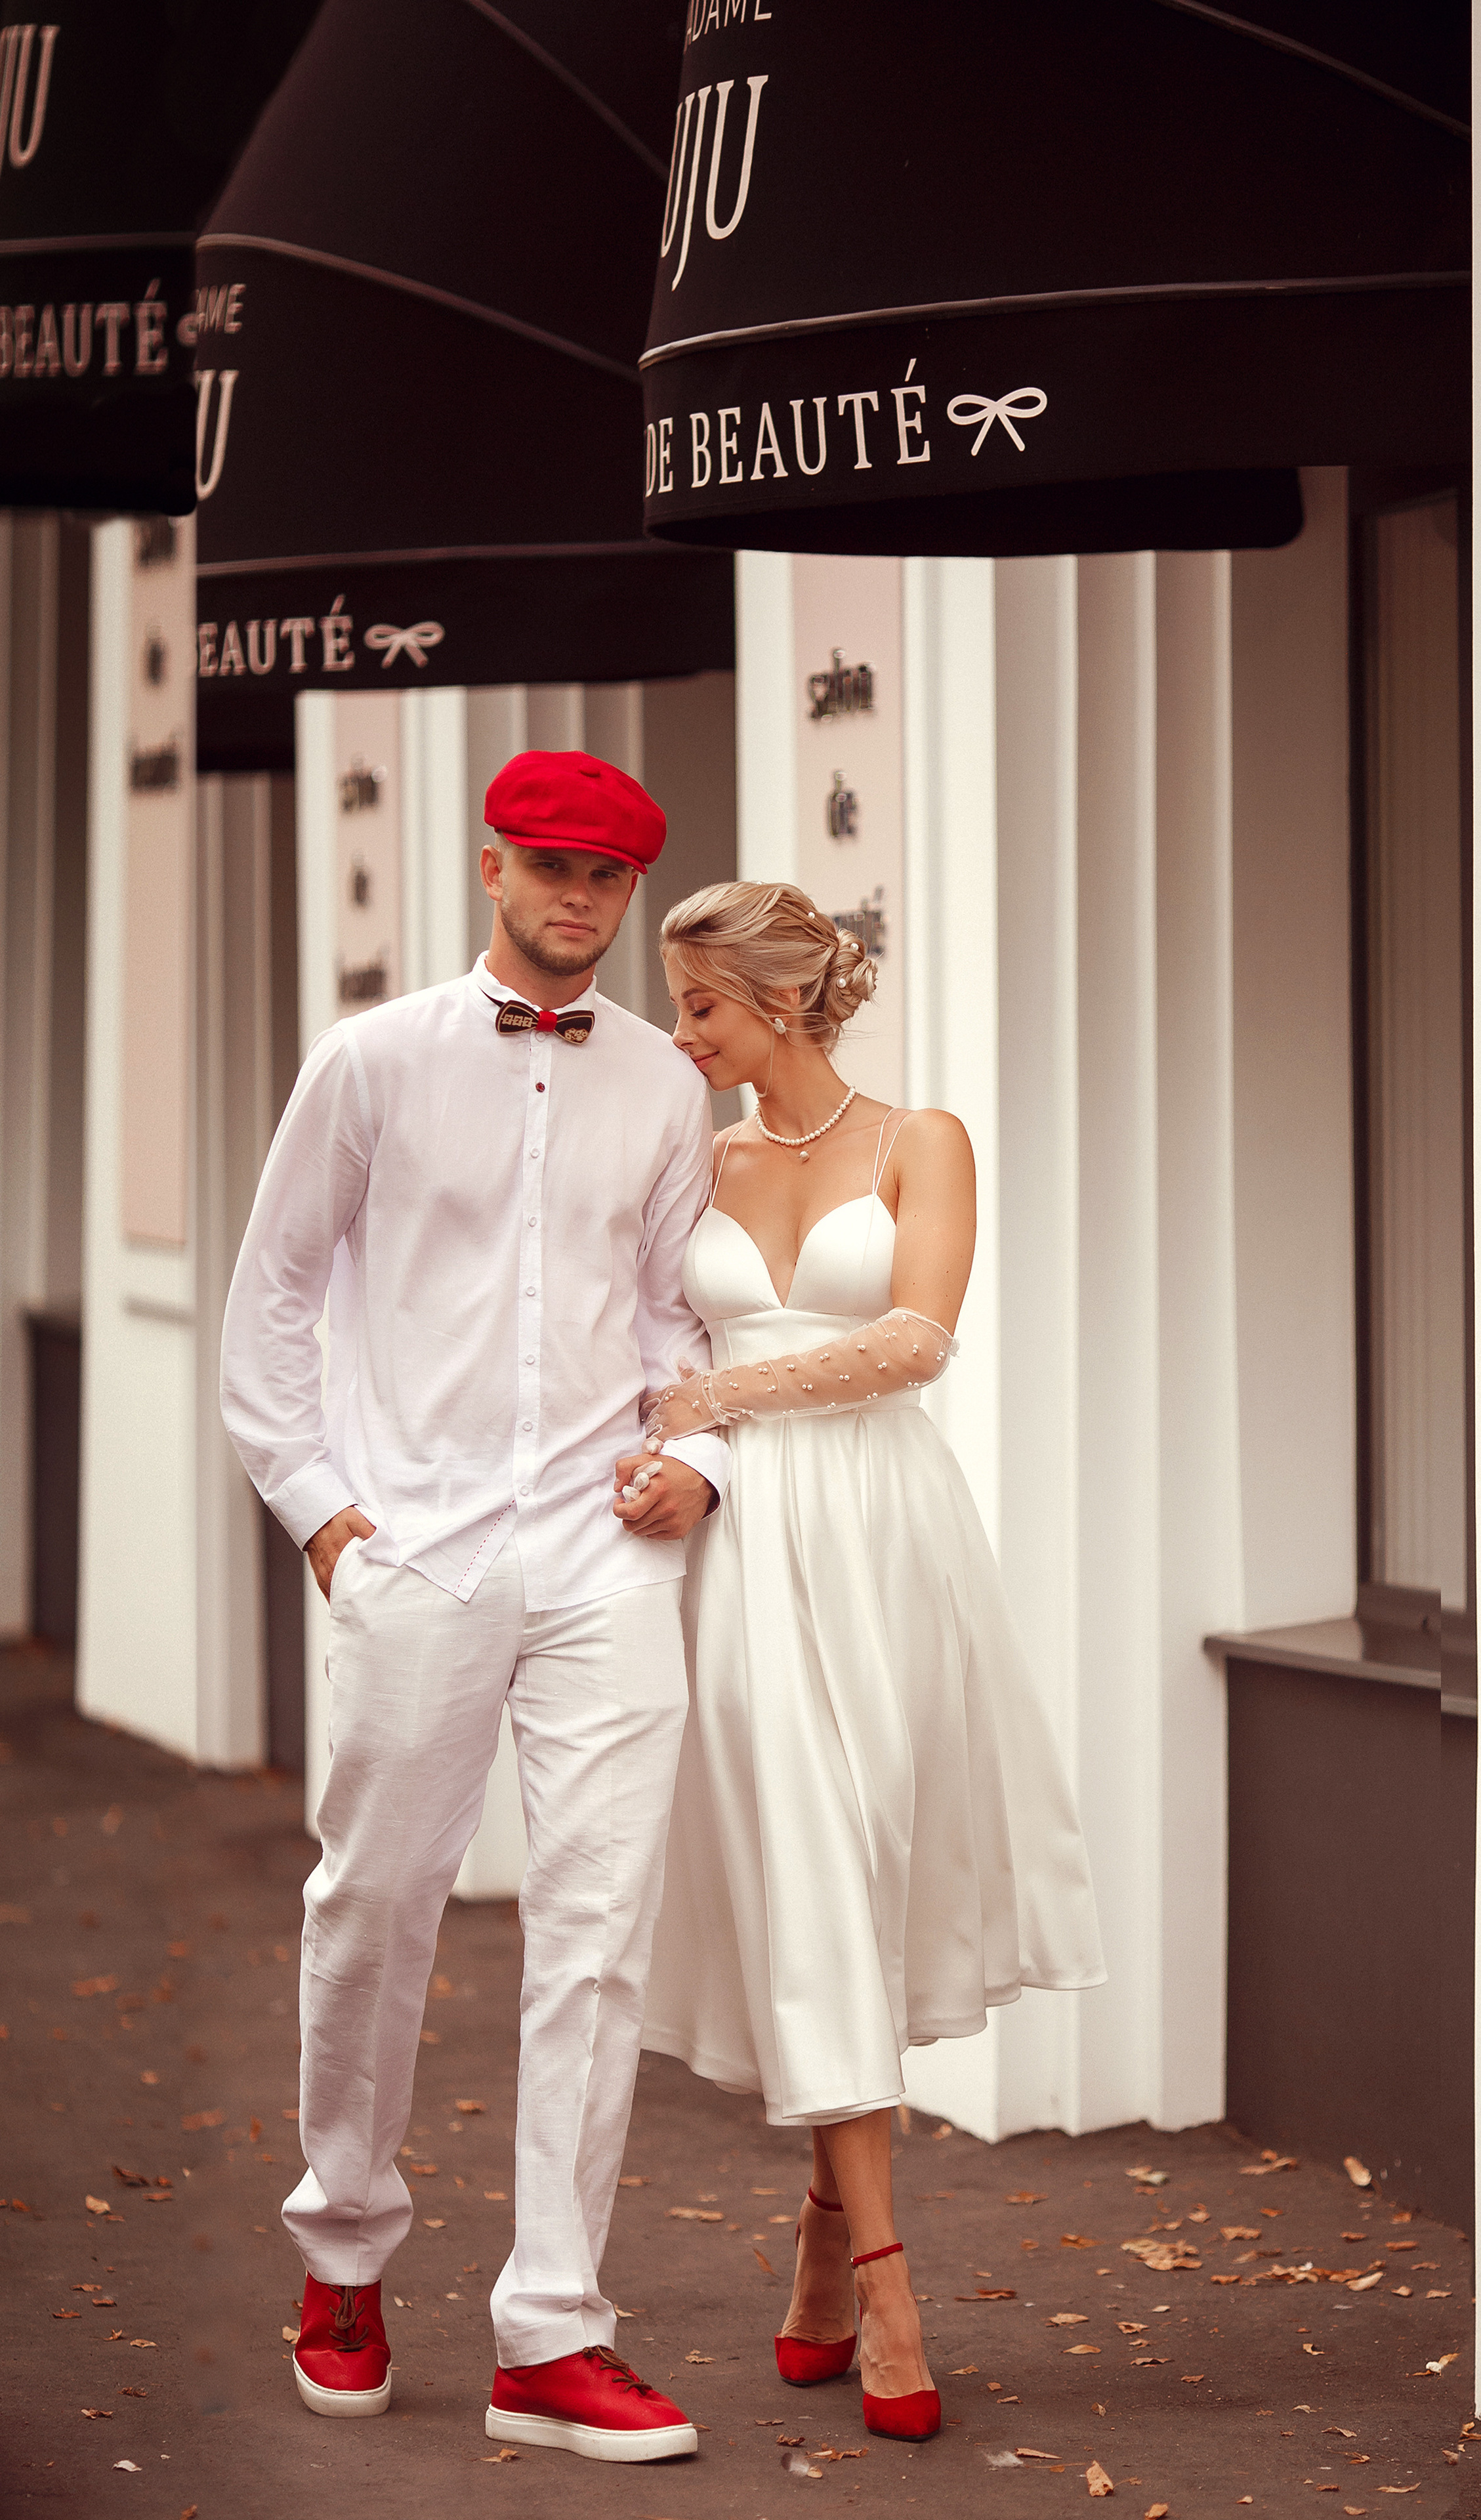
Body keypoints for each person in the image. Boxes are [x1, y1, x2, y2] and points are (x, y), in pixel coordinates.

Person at [220, 751, 722, 2465]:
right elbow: (274, 1295)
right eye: (553, 868)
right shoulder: (370, 1063)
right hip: (415, 1544)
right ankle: (343, 2249)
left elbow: (682, 1321)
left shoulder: (665, 1086)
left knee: (598, 1933)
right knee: (375, 1907)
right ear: (490, 865)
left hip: (603, 1547)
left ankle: (552, 2330)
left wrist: (700, 1477)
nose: (579, 900)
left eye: (608, 879)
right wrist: (323, 1516)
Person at [631, 880, 1105, 2446]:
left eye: (698, 1003)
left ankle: (823, 2238)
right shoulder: (686, 1160)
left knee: (874, 1864)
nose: (678, 1029)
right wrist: (684, 1443)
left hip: (888, 1537)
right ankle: (892, 2280)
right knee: (811, 1872)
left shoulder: (922, 1141)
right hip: (745, 1545)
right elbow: (647, 1352)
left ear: (774, 1002)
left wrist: (724, 1406)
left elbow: (915, 1340)